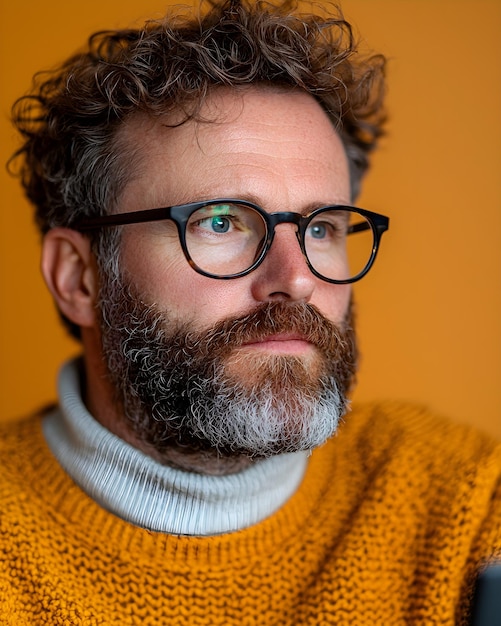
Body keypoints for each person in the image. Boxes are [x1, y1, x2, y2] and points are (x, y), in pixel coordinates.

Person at [1, 0, 499, 624]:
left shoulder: (463, 504)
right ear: (79, 277)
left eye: (322, 229)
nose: (295, 279)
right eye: (220, 222)